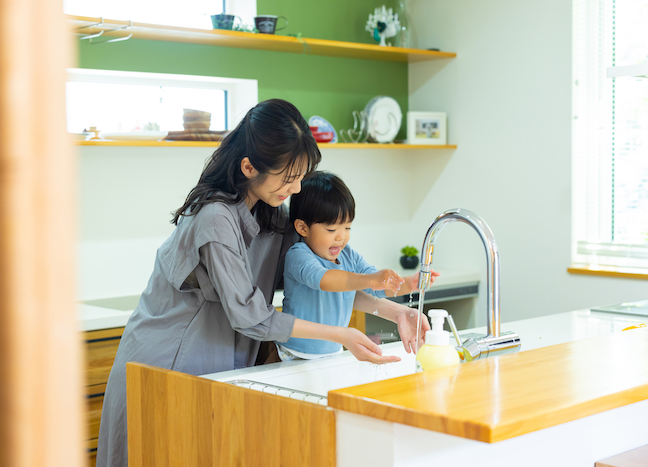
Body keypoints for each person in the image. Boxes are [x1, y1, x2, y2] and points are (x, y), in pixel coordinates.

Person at [95, 100, 428, 467]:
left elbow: (318, 282)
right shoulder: (215, 220)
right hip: (168, 364)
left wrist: (394, 309)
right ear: (249, 166)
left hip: (223, 363)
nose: (297, 187)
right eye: (288, 177)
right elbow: (251, 316)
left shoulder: (274, 215)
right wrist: (342, 336)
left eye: (301, 175)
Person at [277, 171, 438, 361]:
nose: (341, 236)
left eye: (347, 227)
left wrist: (409, 283)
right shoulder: (298, 255)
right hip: (294, 355)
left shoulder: (348, 256)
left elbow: (378, 288)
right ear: (302, 228)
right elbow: (325, 280)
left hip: (332, 353)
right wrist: (371, 279)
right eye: (331, 229)